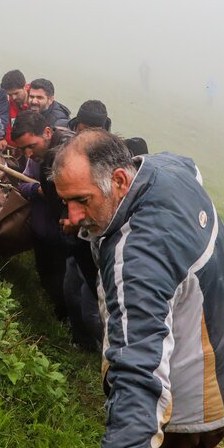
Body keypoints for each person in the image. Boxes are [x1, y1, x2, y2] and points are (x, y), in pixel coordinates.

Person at [53, 131, 224, 448]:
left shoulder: (137, 257)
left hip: (195, 389)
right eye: (67, 202)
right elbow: (193, 168)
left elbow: (138, 373)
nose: (74, 215)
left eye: (82, 199)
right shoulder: (166, 169)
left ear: (120, 180)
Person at [64, 99, 148, 350]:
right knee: (72, 290)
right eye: (82, 127)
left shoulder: (109, 165)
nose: (85, 134)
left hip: (102, 249)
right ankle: (82, 339)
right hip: (82, 243)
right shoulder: (76, 152)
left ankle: (106, 351)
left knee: (93, 307)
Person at [10, 111, 81, 324]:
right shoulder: (35, 159)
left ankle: (73, 321)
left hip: (67, 232)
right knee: (46, 273)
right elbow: (22, 182)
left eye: (31, 146)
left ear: (48, 132)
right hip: (42, 230)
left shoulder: (71, 156)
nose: (28, 154)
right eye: (23, 149)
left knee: (70, 281)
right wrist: (38, 190)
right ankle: (59, 312)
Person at [0, 69, 29, 144]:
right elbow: (8, 127)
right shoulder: (9, 103)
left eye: (16, 93)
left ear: (25, 86)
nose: (13, 98)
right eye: (10, 95)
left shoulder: (37, 104)